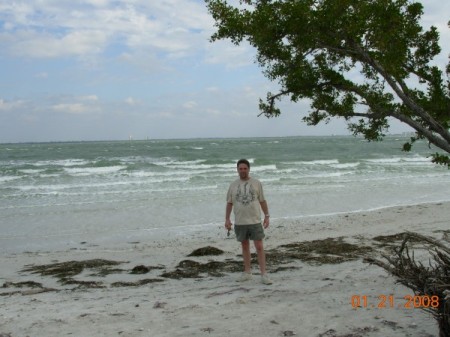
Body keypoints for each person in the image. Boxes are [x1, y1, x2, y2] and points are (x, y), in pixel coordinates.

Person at [225, 159, 273, 285]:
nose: (243, 171)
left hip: (255, 220)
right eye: (240, 169)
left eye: (245, 168)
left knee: (259, 247)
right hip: (240, 221)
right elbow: (229, 203)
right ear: (237, 170)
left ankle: (264, 275)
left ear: (249, 169)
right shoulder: (233, 185)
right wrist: (227, 219)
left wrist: (267, 216)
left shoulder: (256, 183)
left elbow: (262, 200)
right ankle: (247, 272)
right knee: (245, 246)